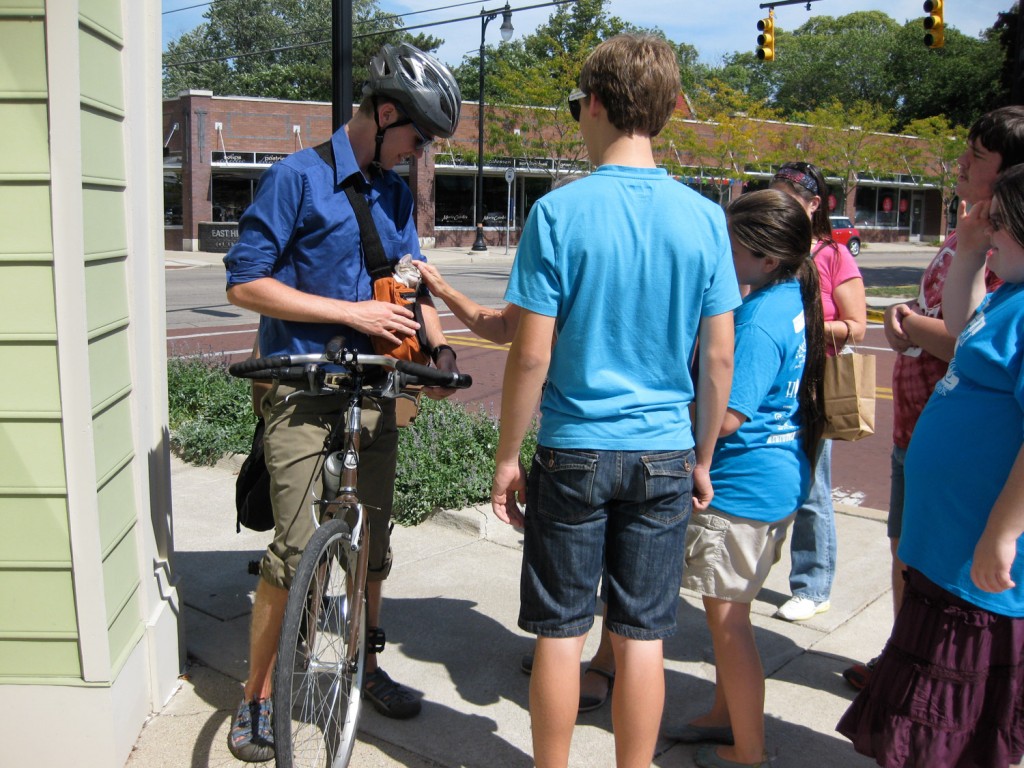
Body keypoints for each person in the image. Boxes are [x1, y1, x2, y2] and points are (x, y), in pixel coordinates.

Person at [490, 34, 741, 768]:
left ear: (596, 102)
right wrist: (702, 456)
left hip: (575, 446)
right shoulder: (704, 219)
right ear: (666, 109)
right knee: (643, 635)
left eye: (577, 105)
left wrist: (508, 455)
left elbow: (531, 352)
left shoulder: (558, 213)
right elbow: (718, 356)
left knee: (562, 632)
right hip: (664, 451)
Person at [221, 43, 463, 762]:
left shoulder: (391, 191)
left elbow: (407, 278)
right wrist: (350, 315)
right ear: (385, 113)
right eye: (417, 138)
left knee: (373, 550)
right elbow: (244, 283)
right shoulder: (296, 178)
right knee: (296, 553)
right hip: (299, 388)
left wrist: (434, 350)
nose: (420, 154)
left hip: (374, 391)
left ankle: (362, 661)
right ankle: (255, 699)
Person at [837, 163, 1024, 768]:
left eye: (995, 219)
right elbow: (962, 332)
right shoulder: (1008, 294)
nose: (982, 225)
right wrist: (969, 251)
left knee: (952, 730)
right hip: (945, 549)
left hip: (975, 562)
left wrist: (1002, 533)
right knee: (925, 733)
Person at [670, 188, 826, 768]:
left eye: (729, 243)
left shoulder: (759, 320)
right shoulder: (788, 298)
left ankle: (748, 753)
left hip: (742, 491)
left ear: (763, 255)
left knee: (730, 625)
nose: (720, 252)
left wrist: (675, 419)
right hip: (777, 481)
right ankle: (723, 716)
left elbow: (729, 413)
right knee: (726, 615)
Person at [769, 162, 867, 622]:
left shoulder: (831, 255)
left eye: (793, 196)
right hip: (769, 381)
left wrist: (803, 327)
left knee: (811, 485)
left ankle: (812, 584)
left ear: (814, 205)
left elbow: (858, 327)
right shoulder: (768, 248)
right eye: (777, 193)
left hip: (813, 384)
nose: (784, 202)